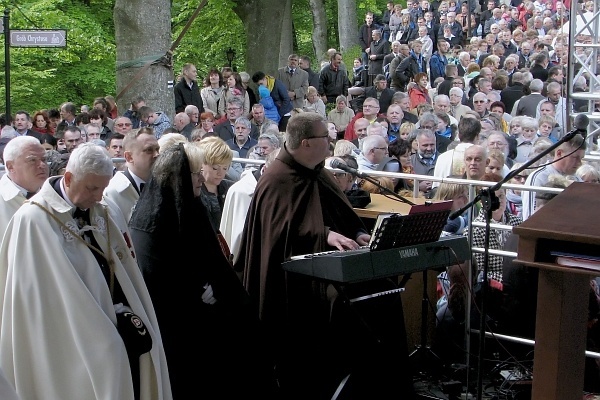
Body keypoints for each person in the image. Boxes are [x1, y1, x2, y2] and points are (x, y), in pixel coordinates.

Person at [235, 112, 414, 399]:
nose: (332, 142)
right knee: (343, 307)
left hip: (334, 267)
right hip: (296, 282)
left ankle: (379, 383)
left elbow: (341, 213)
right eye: (326, 138)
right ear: (306, 143)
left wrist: (356, 232)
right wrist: (324, 235)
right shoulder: (277, 179)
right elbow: (278, 236)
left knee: (384, 289)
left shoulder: (319, 172)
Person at [0, 142, 171, 400]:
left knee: (146, 349)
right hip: (66, 335)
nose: (99, 196)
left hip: (115, 318)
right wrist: (103, 330)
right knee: (108, 358)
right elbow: (37, 299)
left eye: (103, 188)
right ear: (68, 178)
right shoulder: (33, 220)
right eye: (92, 188)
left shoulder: (100, 210)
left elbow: (122, 268)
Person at [128, 141, 261, 399]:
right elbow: (155, 275)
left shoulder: (192, 206)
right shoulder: (151, 219)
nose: (202, 178)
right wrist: (196, 289)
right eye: (195, 173)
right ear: (178, 177)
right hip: (180, 327)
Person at [103, 128, 160, 230]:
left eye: (157, 149)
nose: (157, 155)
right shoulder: (113, 193)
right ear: (129, 157)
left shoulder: (163, 185)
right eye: (149, 150)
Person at [521, 134, 586, 220]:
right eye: (575, 157)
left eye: (581, 158)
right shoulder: (538, 177)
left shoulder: (577, 180)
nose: (579, 163)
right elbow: (528, 217)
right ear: (559, 153)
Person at [0, 136, 49, 234]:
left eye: (44, 159)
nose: (42, 165)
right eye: (32, 160)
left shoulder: (53, 194)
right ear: (10, 166)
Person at [197, 136, 236, 232]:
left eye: (225, 168)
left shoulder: (231, 188)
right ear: (201, 163)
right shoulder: (193, 191)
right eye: (215, 167)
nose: (220, 173)